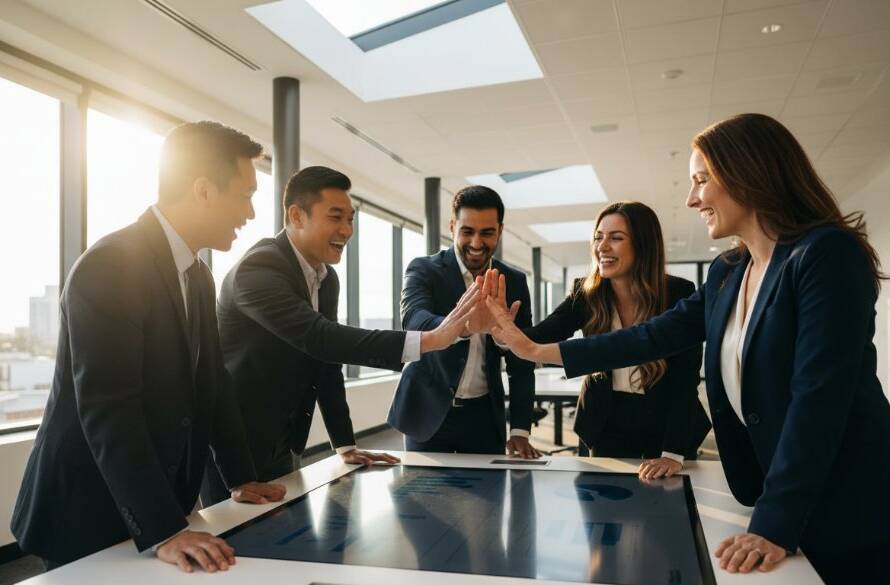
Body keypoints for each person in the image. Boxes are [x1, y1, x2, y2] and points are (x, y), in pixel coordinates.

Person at [483, 113, 890, 584]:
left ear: (748, 173)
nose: (691, 197)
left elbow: (819, 397)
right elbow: (650, 336)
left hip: (847, 497)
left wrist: (774, 521)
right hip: (778, 486)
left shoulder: (824, 254)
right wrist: (533, 350)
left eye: (701, 180)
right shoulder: (727, 272)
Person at [11, 121, 287, 572]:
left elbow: (212, 383)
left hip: (154, 502)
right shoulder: (110, 265)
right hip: (86, 509)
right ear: (203, 190)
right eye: (245, 194)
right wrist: (164, 529)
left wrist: (241, 477)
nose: (251, 213)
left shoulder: (198, 275)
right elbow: (109, 408)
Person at [201, 166, 478, 506]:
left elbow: (325, 362)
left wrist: (345, 445)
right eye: (336, 217)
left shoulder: (325, 279)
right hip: (229, 449)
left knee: (286, 544)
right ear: (296, 216)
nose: (347, 230)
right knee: (233, 551)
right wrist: (433, 339)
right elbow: (321, 338)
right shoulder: (258, 269)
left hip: (282, 440)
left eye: (351, 220)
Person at [526, 201, 710, 478]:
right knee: (602, 510)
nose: (602, 246)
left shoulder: (678, 293)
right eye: (598, 237)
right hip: (604, 421)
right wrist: (501, 326)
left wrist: (673, 453)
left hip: (667, 423)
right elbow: (540, 337)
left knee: (664, 512)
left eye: (616, 238)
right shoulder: (587, 292)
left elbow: (685, 380)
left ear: (643, 244)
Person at [388, 186, 540, 458]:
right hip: (427, 410)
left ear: (500, 230)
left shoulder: (514, 281)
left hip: (484, 417)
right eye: (467, 231)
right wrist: (464, 326)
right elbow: (414, 320)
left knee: (487, 498)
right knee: (424, 497)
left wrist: (519, 429)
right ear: (452, 227)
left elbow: (522, 362)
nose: (476, 243)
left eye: (487, 232)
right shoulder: (423, 269)